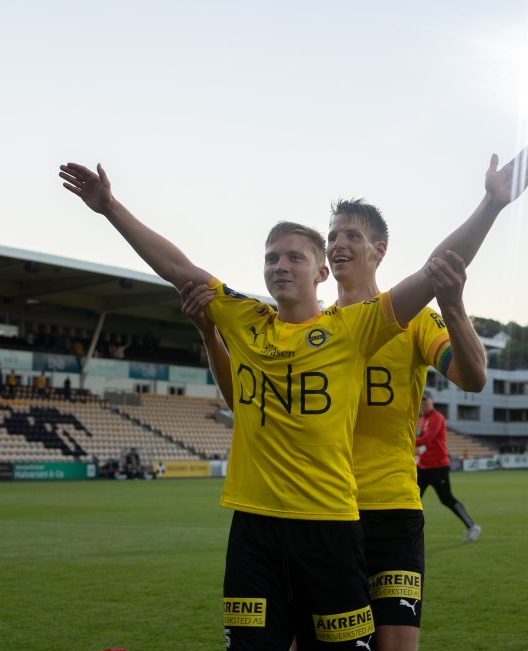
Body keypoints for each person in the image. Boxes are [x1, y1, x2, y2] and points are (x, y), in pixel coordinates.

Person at [61, 148, 528, 649]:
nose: (287, 264)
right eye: (275, 257)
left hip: (357, 512)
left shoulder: (362, 326)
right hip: (274, 519)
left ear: (350, 261)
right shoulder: (255, 322)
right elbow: (180, 270)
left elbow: (447, 297)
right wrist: (112, 208)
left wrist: (490, 207)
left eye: (300, 255)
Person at [187, 200, 489, 651]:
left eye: (350, 235)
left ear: (379, 250)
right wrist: (210, 334)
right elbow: (246, 402)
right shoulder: (315, 328)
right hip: (314, 514)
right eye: (331, 238)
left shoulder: (414, 320)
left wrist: (455, 306)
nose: (337, 245)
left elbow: (472, 376)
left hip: (388, 510)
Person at [416, 392, 481, 541]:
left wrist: (408, 443)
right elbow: (422, 441)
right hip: (423, 467)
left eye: (426, 401)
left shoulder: (437, 418)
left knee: (446, 499)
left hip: (438, 467)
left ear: (432, 401)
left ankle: (472, 526)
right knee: (414, 498)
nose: (423, 404)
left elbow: (427, 439)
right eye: (421, 402)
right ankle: (409, 533)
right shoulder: (422, 420)